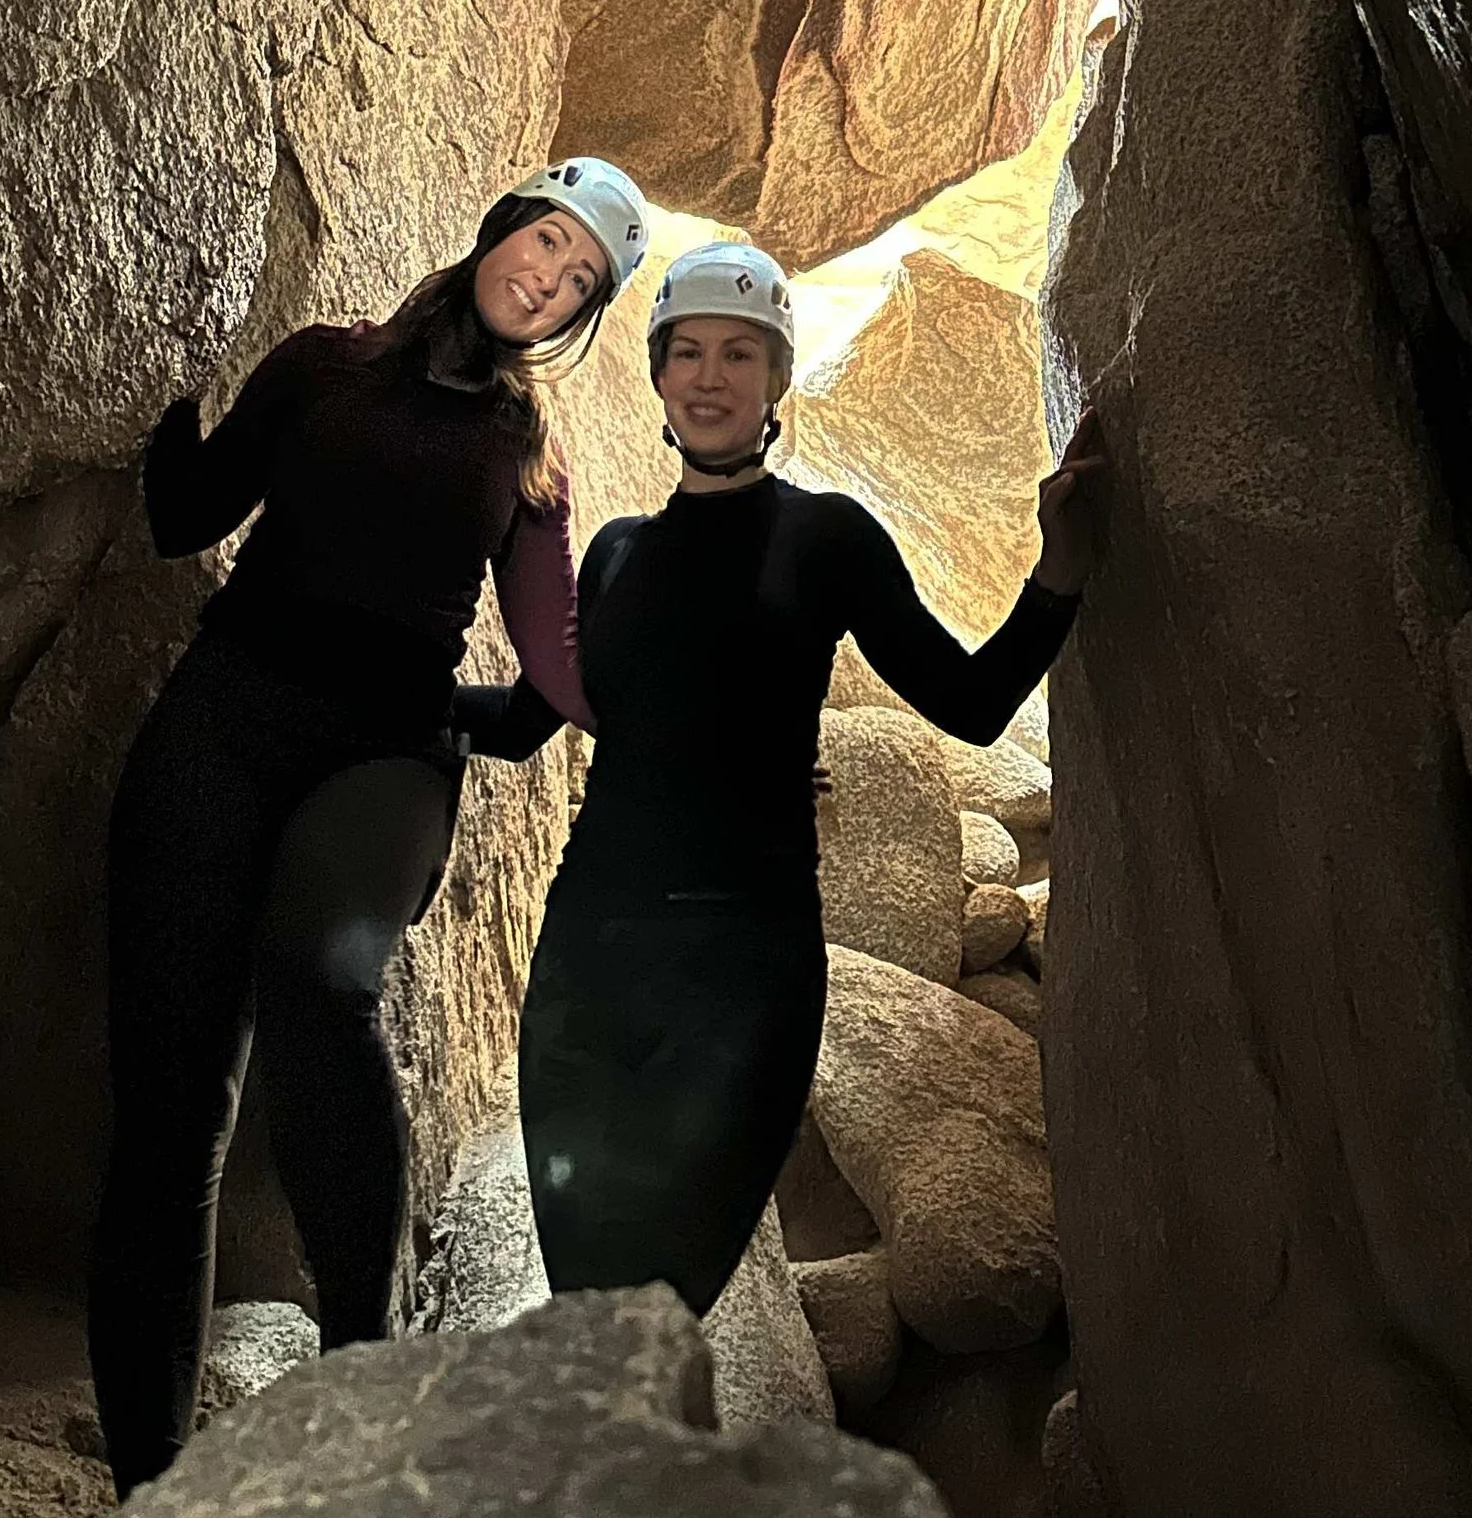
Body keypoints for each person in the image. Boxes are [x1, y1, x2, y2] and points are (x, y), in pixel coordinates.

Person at [86, 157, 651, 1497]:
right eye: (548, 243)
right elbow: (187, 513)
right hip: (225, 717)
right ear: (503, 228)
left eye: (580, 280)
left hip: (386, 757)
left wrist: (596, 704)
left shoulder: (526, 454)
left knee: (321, 973)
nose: (549, 280)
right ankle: (150, 1482)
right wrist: (160, 376)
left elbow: (554, 677)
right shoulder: (321, 364)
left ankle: (368, 1381)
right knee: (171, 1112)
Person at [464, 236, 1106, 1319]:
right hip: (590, 968)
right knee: (590, 1317)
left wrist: (1058, 574)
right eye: (688, 352)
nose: (710, 377)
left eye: (740, 353)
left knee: (662, 1307)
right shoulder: (616, 553)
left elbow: (970, 702)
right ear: (658, 373)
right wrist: (363, 694)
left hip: (744, 972)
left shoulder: (827, 538)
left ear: (776, 378)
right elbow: (531, 719)